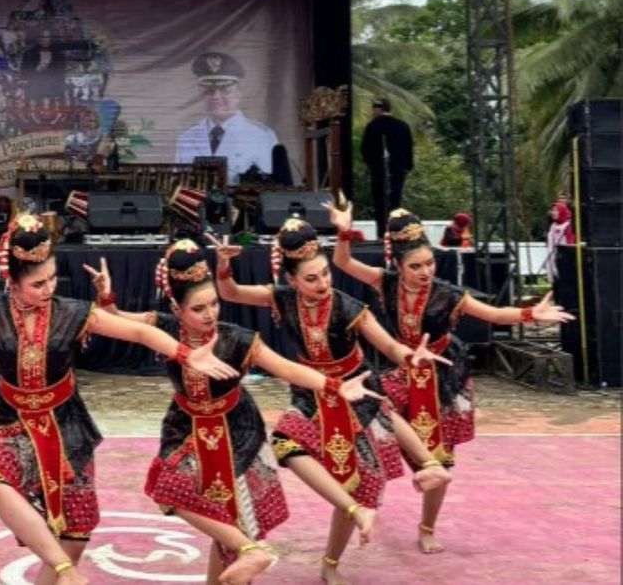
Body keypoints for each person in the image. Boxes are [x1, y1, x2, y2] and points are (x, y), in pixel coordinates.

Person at [0, 193, 233, 585]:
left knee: (75, 534)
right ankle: (64, 571)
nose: (48, 288)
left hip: (65, 424)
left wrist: (186, 354)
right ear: (13, 281)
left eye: (52, 278)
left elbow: (140, 332)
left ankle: (61, 567)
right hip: (8, 419)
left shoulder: (73, 313)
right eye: (37, 283)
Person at [84, 242, 387, 584]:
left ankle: (249, 552)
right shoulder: (164, 330)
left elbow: (287, 368)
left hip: (236, 430)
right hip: (186, 425)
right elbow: (118, 320)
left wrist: (334, 386)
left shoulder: (238, 340)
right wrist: (106, 296)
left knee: (232, 524)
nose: (210, 314)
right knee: (168, 488)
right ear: (177, 309)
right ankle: (250, 551)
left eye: (214, 304)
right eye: (198, 308)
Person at [213, 218, 455, 585]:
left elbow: (388, 345)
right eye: (311, 279)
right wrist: (223, 264)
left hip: (355, 388)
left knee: (363, 465)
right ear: (292, 280)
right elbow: (229, 292)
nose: (323, 283)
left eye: (325, 274)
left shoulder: (348, 306)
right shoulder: (281, 298)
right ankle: (359, 506)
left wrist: (410, 356)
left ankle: (331, 562)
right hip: (311, 391)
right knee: (284, 444)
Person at [329, 205, 573, 553]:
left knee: (441, 457)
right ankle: (365, 500)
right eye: (416, 266)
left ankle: (427, 526)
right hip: (403, 367)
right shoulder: (386, 281)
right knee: (373, 413)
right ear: (398, 265)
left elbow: (494, 314)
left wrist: (531, 313)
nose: (425, 272)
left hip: (441, 374)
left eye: (429, 263)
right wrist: (343, 232)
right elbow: (342, 262)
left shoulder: (447, 294)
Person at [175, 52, 280, 182]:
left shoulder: (262, 136)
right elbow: (179, 185)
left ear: (239, 93)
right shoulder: (186, 138)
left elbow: (272, 186)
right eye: (209, 91)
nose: (216, 97)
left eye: (225, 90)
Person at [361, 98, 414, 237]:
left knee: (379, 203)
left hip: (379, 171)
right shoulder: (403, 126)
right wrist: (407, 167)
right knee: (395, 201)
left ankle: (381, 233)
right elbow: (409, 149)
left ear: (378, 109)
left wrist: (371, 165)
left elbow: (365, 150)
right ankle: (395, 232)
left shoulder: (372, 126)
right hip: (398, 170)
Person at [543, 201, 576, 281]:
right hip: (553, 257)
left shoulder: (568, 225)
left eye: (556, 210)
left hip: (564, 259)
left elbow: (570, 244)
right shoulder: (553, 226)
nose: (553, 213)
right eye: (552, 211)